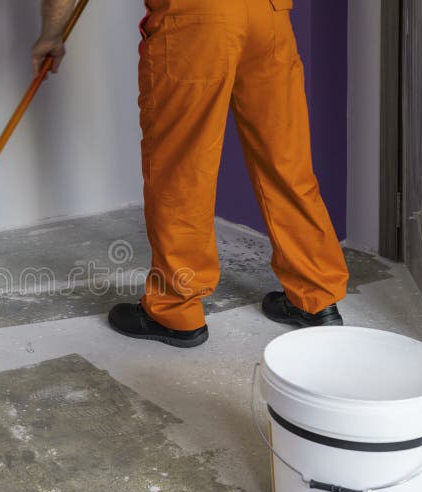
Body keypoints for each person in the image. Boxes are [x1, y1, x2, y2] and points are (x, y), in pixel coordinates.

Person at [33, 0, 349, 348]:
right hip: (270, 15)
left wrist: (51, 32)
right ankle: (315, 296)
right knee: (286, 162)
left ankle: (174, 309)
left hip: (198, 19)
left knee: (182, 168)